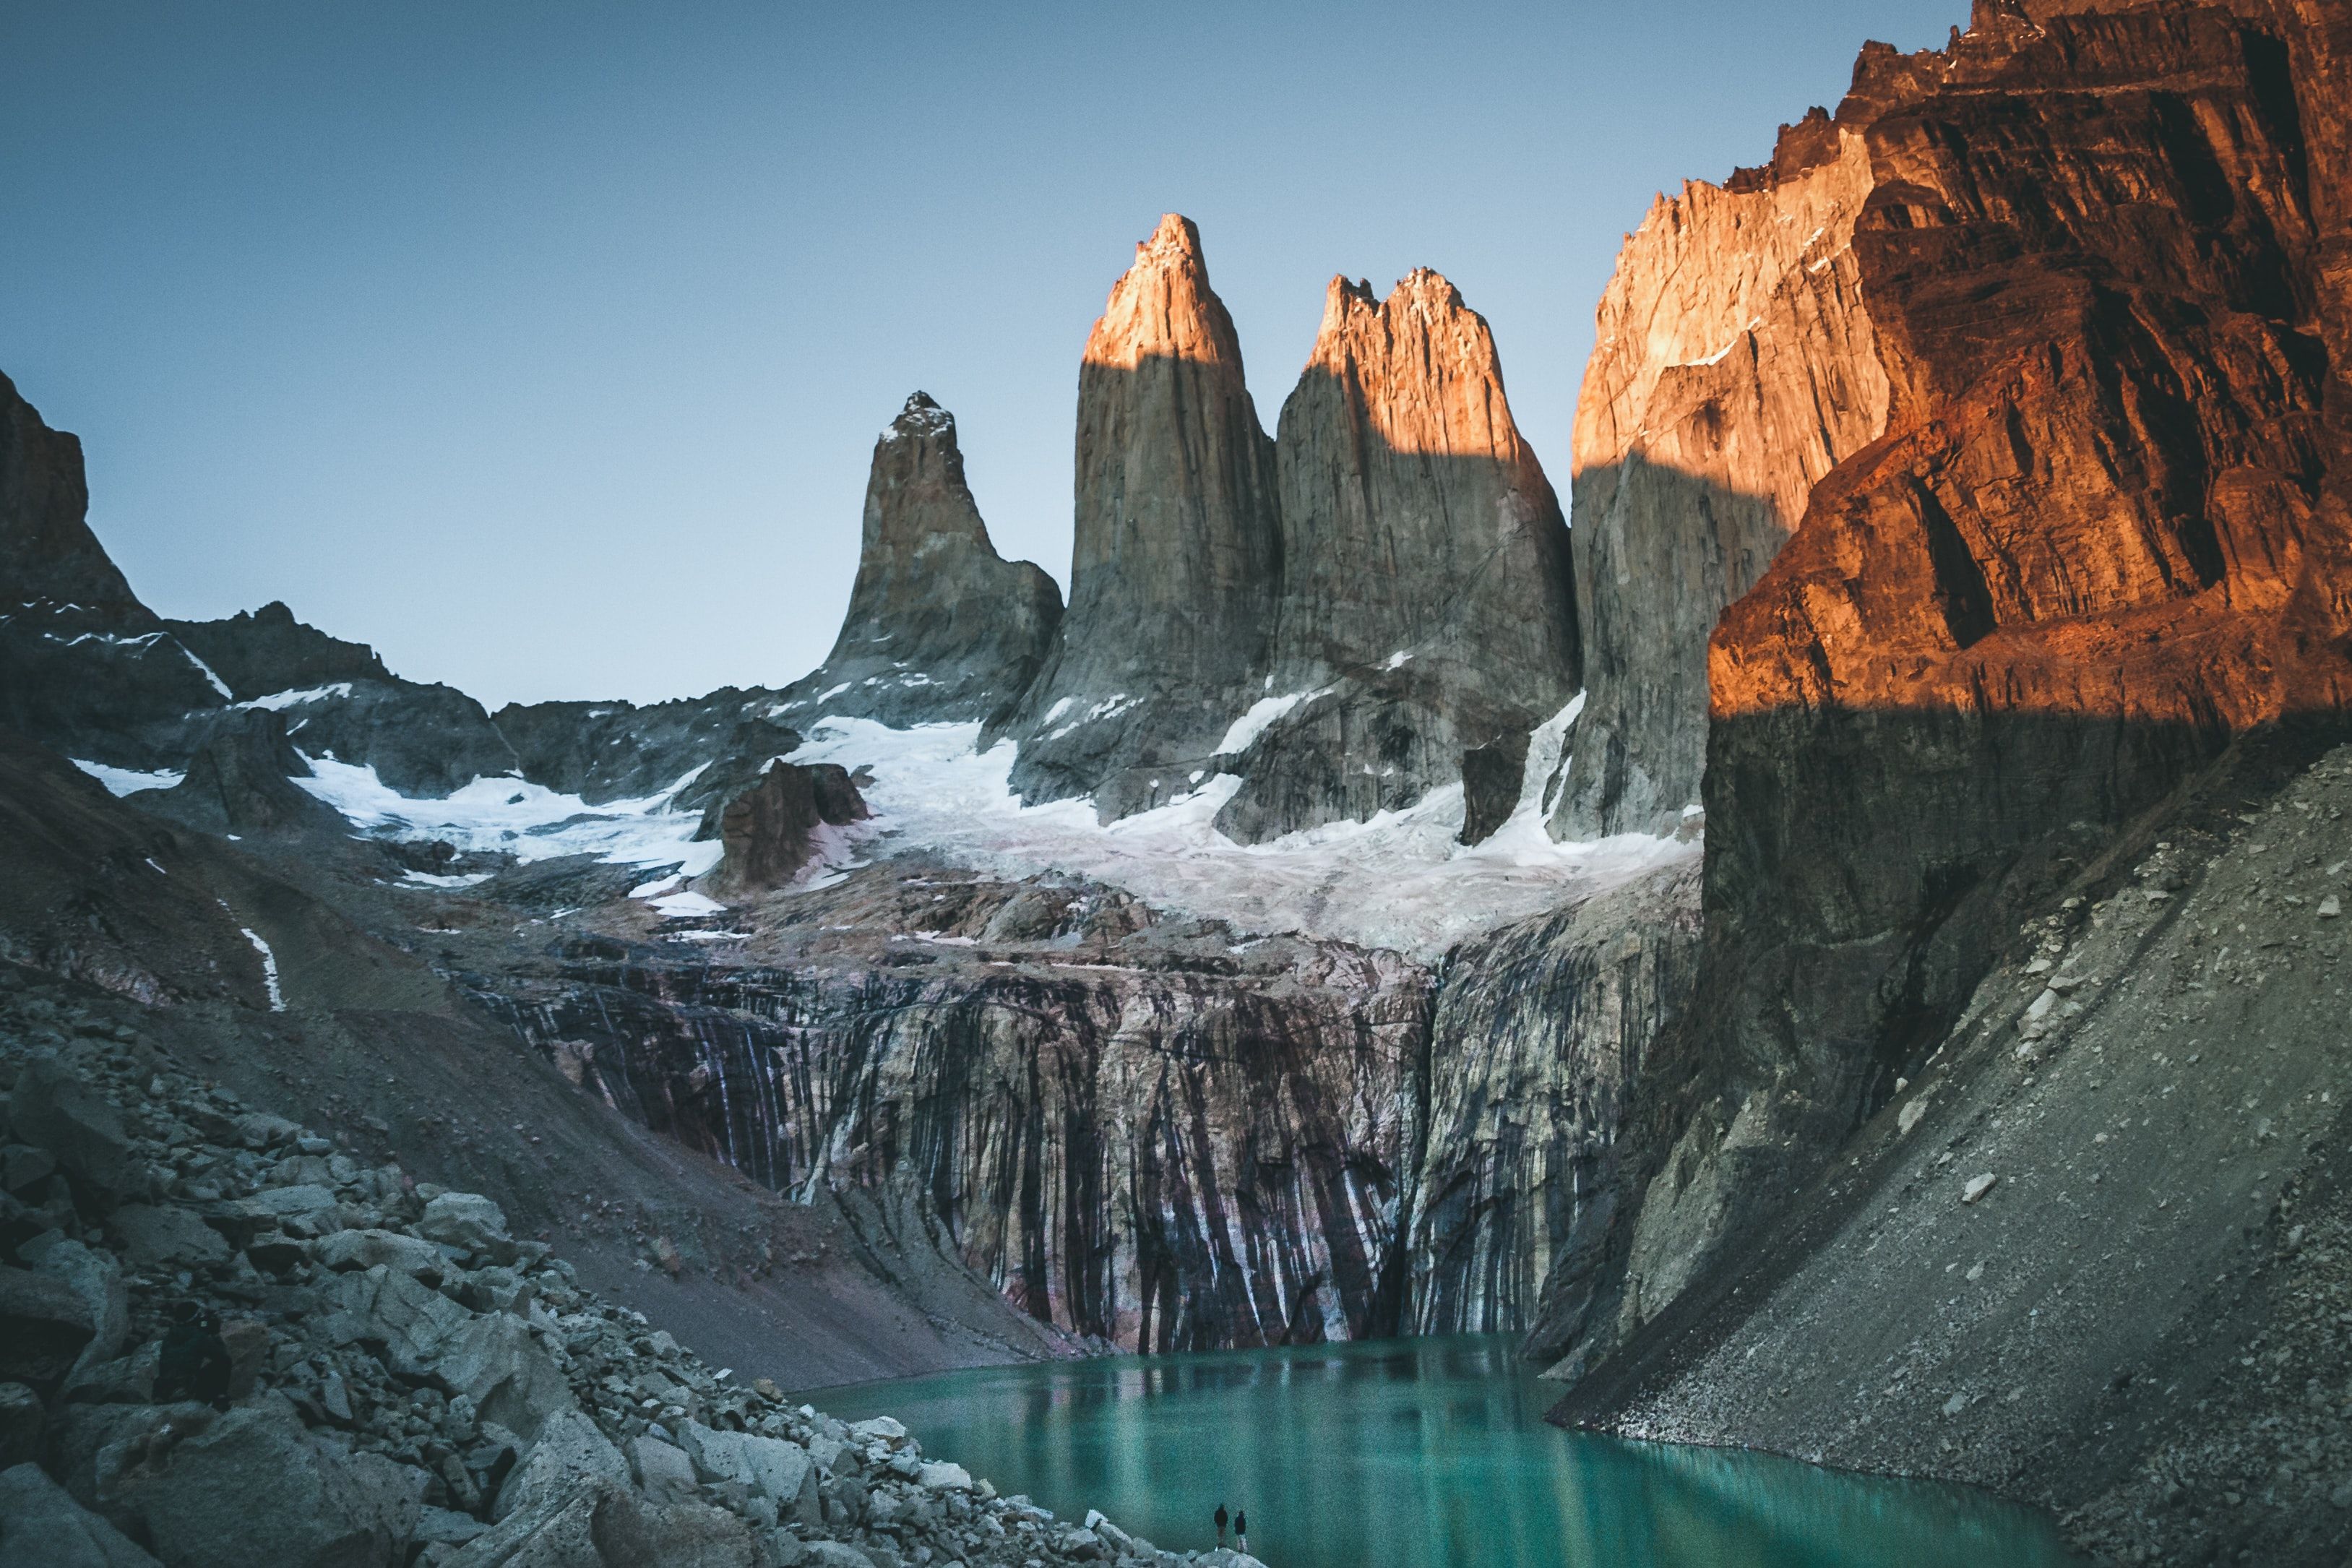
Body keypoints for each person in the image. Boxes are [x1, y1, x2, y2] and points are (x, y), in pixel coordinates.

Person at [155, 1302, 232, 1410]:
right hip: (187, 1388)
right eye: (199, 1315)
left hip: (164, 1387)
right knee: (225, 1362)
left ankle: (166, 1396)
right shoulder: (199, 1337)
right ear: (194, 1318)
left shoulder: (170, 1335)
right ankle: (220, 1399)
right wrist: (215, 1334)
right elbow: (221, 1355)